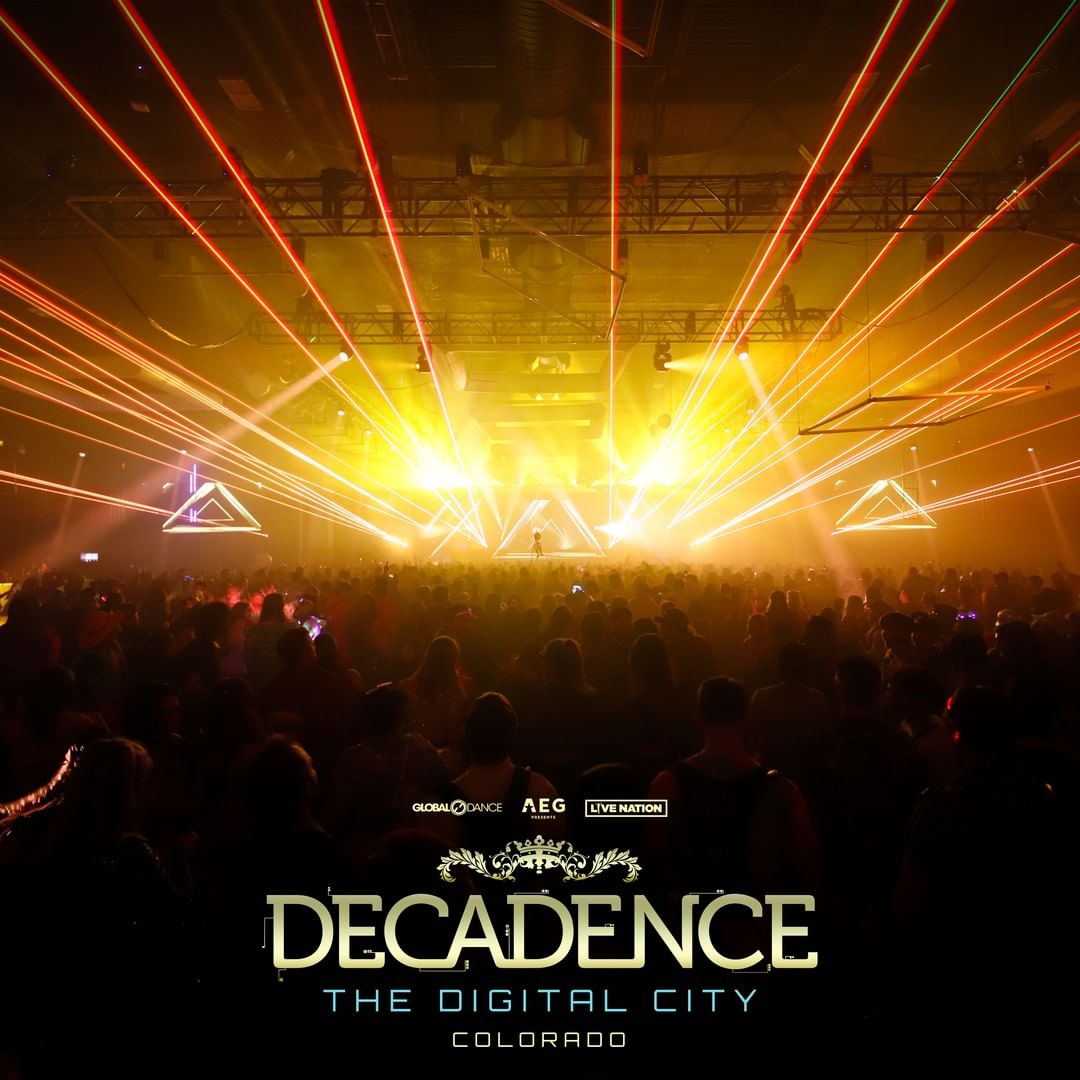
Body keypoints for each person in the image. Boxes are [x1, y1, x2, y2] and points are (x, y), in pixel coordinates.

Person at [648, 676, 819, 897]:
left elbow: (653, 856)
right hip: (759, 912)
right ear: (747, 718)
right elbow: (810, 868)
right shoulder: (782, 790)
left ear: (698, 717)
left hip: (689, 913)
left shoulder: (666, 785)